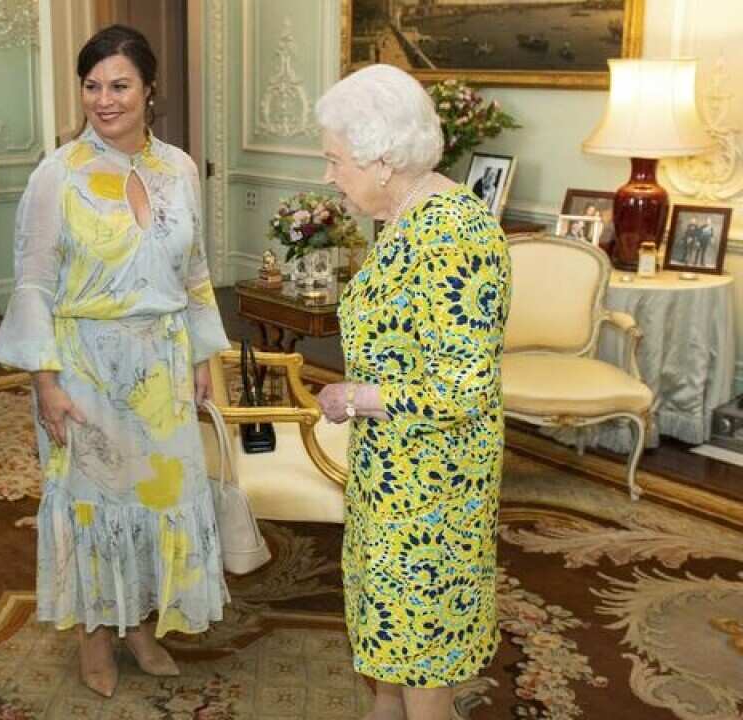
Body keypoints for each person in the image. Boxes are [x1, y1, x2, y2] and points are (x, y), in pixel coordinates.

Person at [0, 25, 231, 700]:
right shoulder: (56, 175)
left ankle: (140, 626)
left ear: (150, 90)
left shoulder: (179, 169)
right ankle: (95, 635)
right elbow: (32, 282)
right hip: (84, 366)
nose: (104, 99)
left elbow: (196, 272)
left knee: (160, 500)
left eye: (119, 85)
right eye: (92, 86)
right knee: (93, 505)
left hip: (164, 360)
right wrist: (45, 381)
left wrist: (202, 357)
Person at [313, 64, 510, 720]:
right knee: (389, 632)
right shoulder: (405, 218)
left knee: (423, 650)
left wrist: (357, 398)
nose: (330, 175)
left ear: (383, 158)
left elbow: (462, 386)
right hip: (392, 472)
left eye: (335, 160)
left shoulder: (456, 232)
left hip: (435, 485)